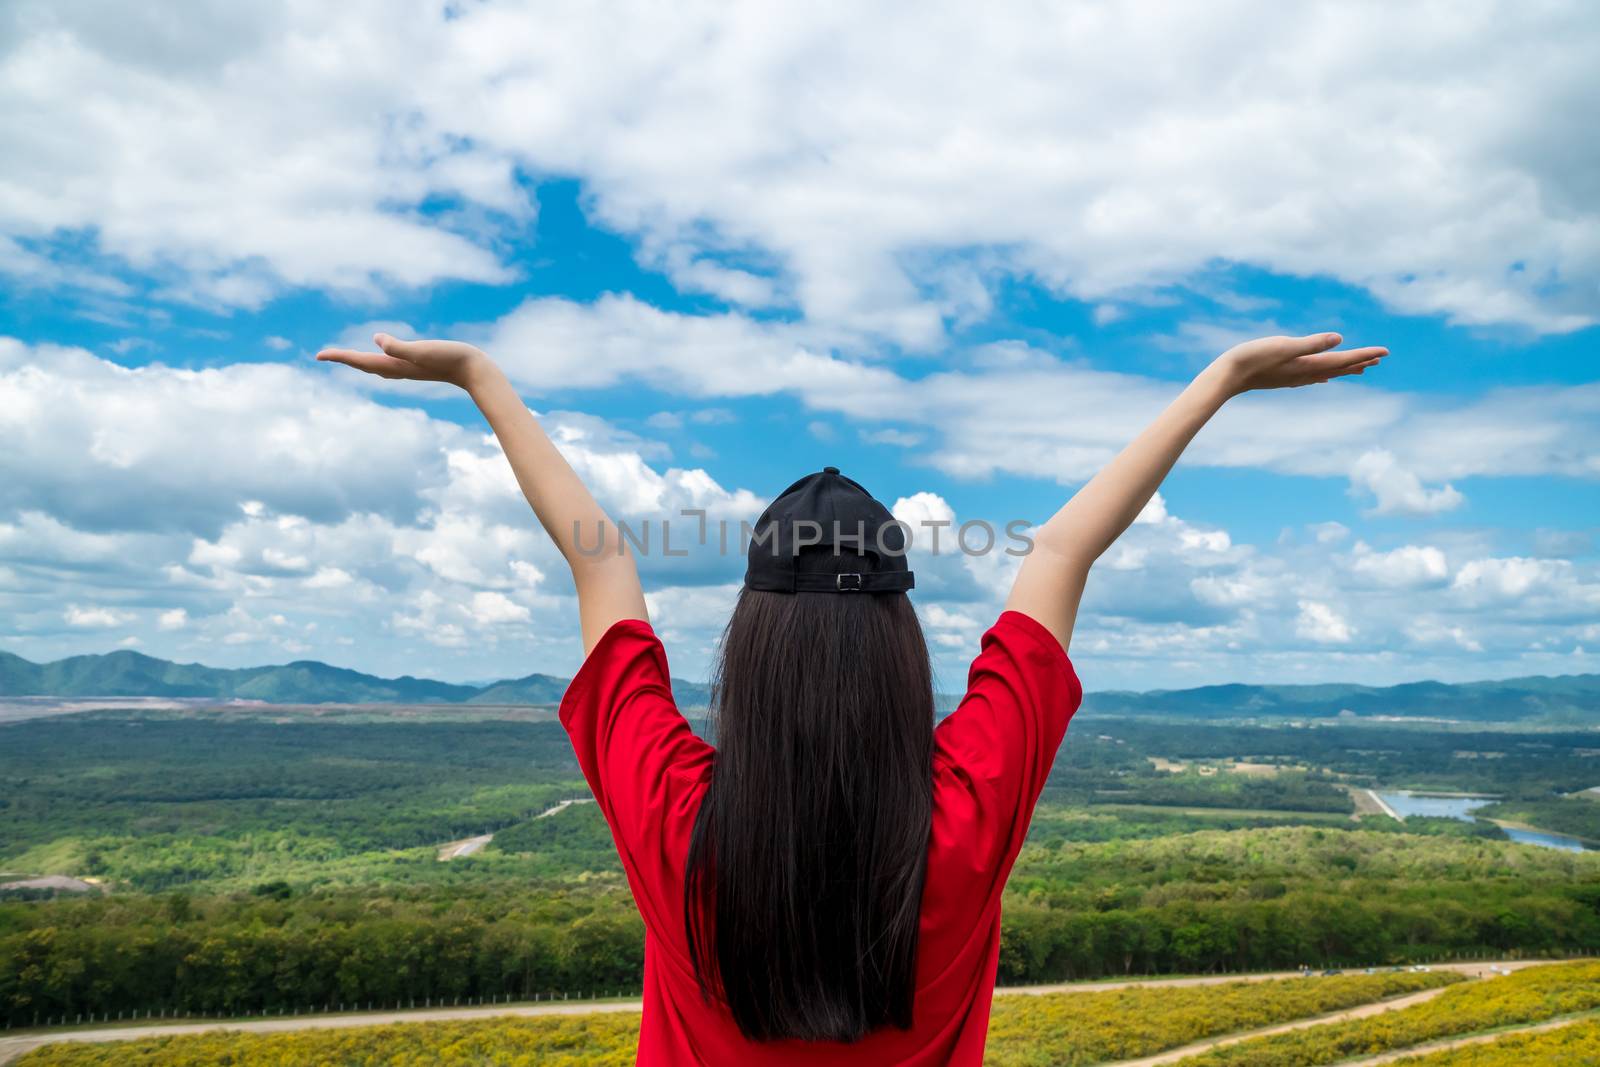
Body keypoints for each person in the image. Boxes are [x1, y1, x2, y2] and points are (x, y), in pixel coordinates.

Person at [317, 331, 1387, 1065]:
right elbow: (1061, 550)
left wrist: (481, 379)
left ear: (750, 645)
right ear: (898, 644)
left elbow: (600, 563)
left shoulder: (678, 818)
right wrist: (1218, 383)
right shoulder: (960, 818)